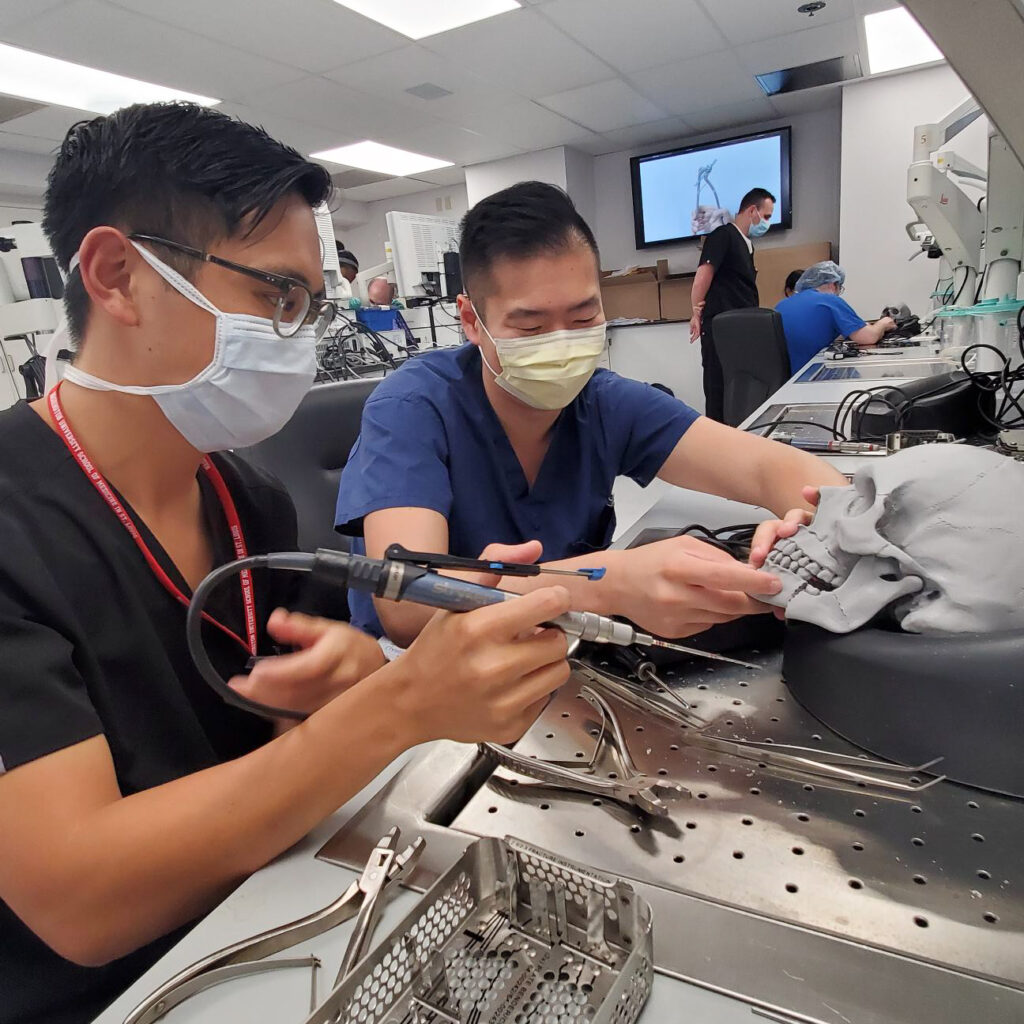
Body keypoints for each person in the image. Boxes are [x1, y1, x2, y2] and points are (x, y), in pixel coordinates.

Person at [0, 105, 572, 1024]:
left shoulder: (244, 500)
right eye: (277, 296)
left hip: (263, 927)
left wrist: (344, 689)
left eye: (311, 303)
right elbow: (77, 898)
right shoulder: (16, 526)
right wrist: (394, 707)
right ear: (117, 277)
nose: (298, 338)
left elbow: (288, 750)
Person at [336, 181, 845, 647]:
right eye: (531, 328)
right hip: (417, 672)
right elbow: (409, 604)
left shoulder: (605, 402)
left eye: (584, 318)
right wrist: (605, 584)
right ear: (471, 320)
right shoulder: (412, 407)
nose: (562, 344)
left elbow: (770, 468)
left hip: (556, 643)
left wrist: (809, 520)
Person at [688, 187, 776, 422]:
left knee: (740, 391)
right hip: (720, 328)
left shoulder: (746, 244)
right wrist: (696, 312)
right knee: (718, 390)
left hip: (740, 329)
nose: (767, 222)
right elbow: (703, 275)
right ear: (752, 210)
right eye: (766, 216)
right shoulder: (723, 236)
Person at [775, 261, 897, 370]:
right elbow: (868, 338)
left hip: (786, 377)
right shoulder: (829, 300)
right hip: (812, 372)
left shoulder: (781, 304)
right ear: (833, 285)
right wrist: (883, 323)